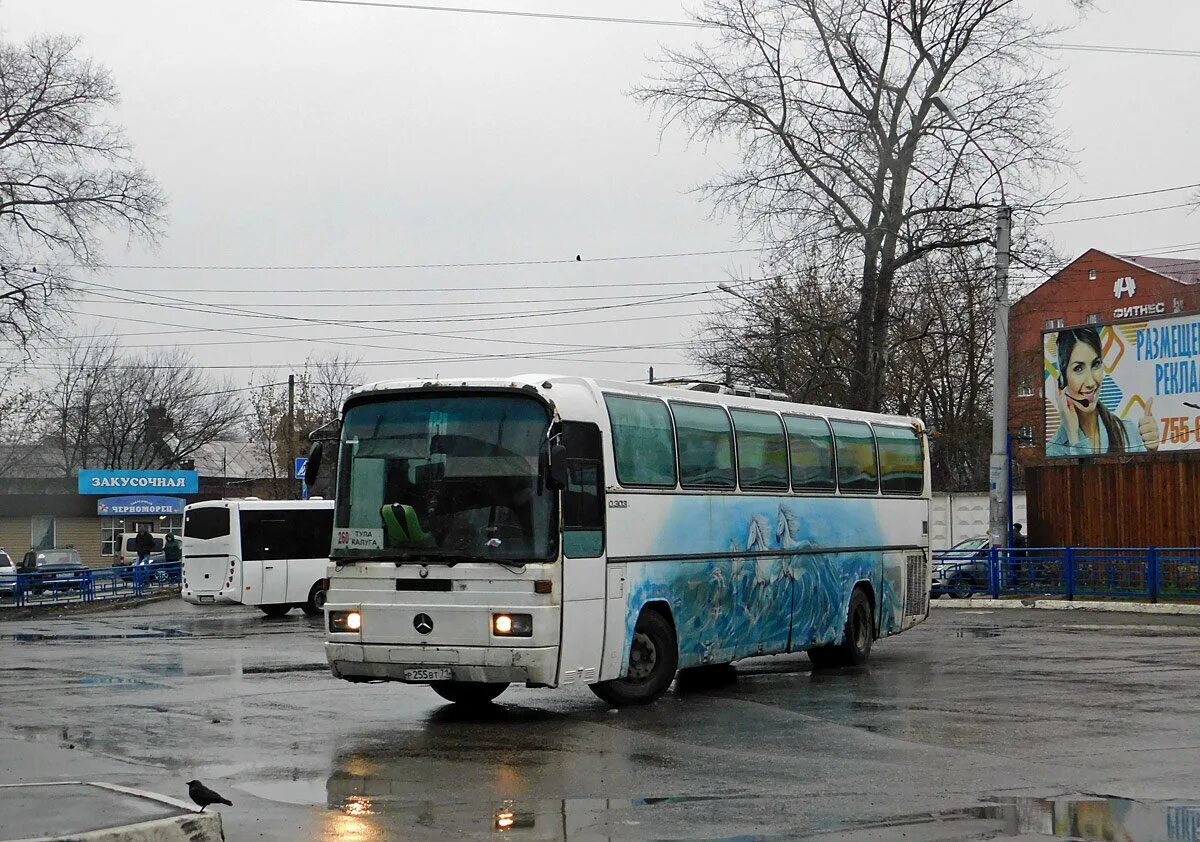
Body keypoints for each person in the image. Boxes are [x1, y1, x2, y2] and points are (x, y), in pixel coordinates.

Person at [1046, 326, 1159, 457]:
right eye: (1078, 368)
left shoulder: (1129, 432)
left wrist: (1152, 454)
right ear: (1062, 380)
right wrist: (1074, 437)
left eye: (1095, 364)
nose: (1091, 383)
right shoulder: (1053, 451)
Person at [1011, 523, 1028, 589]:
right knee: (1017, 569)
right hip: (1017, 555)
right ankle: (1017, 583)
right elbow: (1023, 547)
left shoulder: (1011, 534)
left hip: (1014, 554)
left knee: (1014, 569)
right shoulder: (1020, 537)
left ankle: (1015, 583)